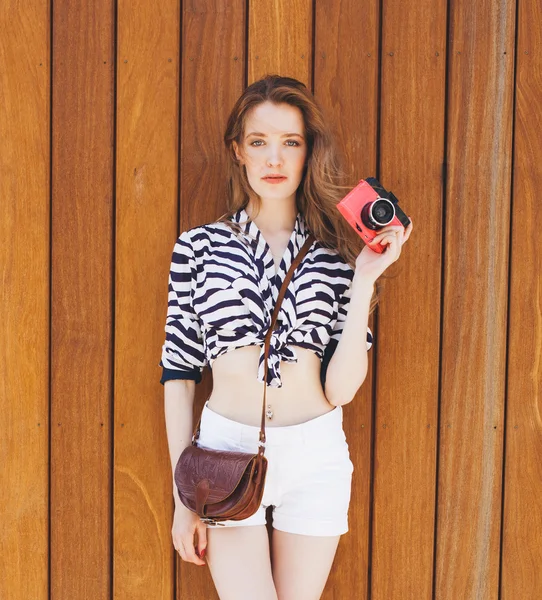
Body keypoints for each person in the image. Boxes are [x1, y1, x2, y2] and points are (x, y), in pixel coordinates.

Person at [160, 74, 413, 600]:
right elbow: (179, 374)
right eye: (259, 142)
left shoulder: (337, 256)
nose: (274, 159)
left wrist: (365, 277)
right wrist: (183, 500)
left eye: (290, 143)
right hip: (225, 452)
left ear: (307, 152)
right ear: (238, 151)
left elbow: (341, 389)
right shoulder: (197, 247)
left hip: (314, 452)